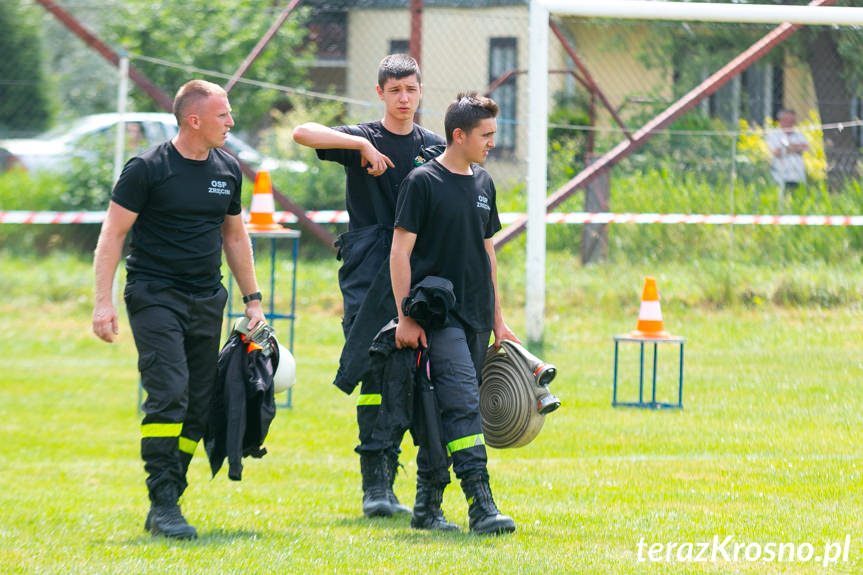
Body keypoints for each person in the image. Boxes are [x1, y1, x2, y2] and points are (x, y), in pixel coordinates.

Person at [92, 79, 266, 540]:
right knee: (169, 392)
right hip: (154, 295)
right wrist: (102, 302)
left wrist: (253, 301)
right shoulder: (147, 168)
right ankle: (163, 501)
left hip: (207, 297)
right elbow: (112, 234)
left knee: (200, 404)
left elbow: (234, 236)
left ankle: (171, 491)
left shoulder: (227, 169)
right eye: (223, 115)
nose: (231, 122)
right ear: (195, 120)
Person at [292, 54, 445, 518]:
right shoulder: (362, 137)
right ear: (379, 92)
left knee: (417, 375)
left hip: (420, 272)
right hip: (366, 269)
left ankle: (409, 484)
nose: (403, 98)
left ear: (421, 92)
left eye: (411, 90)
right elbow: (303, 132)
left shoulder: (435, 147)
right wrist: (360, 149)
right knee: (375, 372)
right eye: (394, 89)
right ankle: (374, 487)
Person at [390, 92, 518, 535]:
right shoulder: (422, 182)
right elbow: (399, 253)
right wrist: (406, 317)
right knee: (464, 405)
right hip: (438, 318)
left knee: (443, 409)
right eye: (485, 136)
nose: (491, 144)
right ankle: (480, 504)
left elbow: (488, 256)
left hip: (478, 316)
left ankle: (426, 506)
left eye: (494, 135)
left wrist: (499, 321)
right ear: (458, 135)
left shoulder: (484, 182)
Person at [766, 108, 809, 190]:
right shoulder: (774, 135)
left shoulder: (799, 135)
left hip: (798, 176)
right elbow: (777, 152)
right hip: (780, 176)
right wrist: (796, 148)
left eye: (792, 121)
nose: (790, 123)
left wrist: (786, 147)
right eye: (787, 120)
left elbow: (806, 147)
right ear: (780, 121)